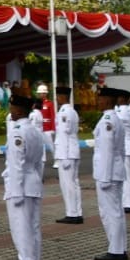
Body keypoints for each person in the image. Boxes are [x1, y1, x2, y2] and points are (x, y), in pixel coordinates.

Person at [2, 93, 44, 260]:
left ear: (18, 109)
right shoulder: (34, 130)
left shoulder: (18, 131)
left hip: (21, 186)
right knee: (33, 229)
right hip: (33, 182)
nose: (10, 111)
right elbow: (37, 162)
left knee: (22, 230)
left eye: (12, 107)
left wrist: (16, 191)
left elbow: (17, 164)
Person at [91, 88, 128, 260]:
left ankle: (117, 250)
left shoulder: (108, 120)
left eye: (101, 98)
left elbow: (106, 151)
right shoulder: (113, 119)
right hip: (114, 171)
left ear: (108, 100)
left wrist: (104, 177)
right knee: (114, 211)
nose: (98, 101)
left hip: (109, 173)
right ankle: (117, 247)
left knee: (111, 212)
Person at [53, 86, 83, 224]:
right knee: (74, 183)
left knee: (68, 184)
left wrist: (63, 157)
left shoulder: (64, 112)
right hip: (72, 151)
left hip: (67, 153)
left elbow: (64, 134)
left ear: (62, 96)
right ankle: (77, 211)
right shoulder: (72, 111)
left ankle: (72, 213)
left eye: (58, 96)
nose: (57, 98)